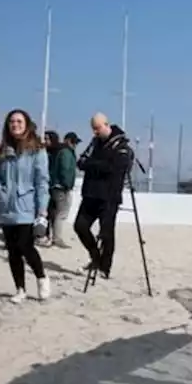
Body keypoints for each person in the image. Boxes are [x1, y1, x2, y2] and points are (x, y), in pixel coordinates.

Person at [0, 110, 51, 302]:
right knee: (12, 250)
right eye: (11, 121)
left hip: (26, 205)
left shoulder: (37, 149)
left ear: (26, 123)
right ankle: (20, 289)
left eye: (19, 121)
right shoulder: (2, 150)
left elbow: (42, 182)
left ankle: (41, 277)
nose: (15, 124)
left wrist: (42, 210)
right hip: (6, 205)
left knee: (25, 245)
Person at [73, 114, 132, 278]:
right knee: (80, 226)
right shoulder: (94, 142)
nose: (95, 132)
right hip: (90, 194)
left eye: (98, 128)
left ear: (106, 125)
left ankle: (104, 268)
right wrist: (96, 165)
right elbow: (81, 162)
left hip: (109, 197)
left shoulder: (121, 145)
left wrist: (93, 165)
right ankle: (95, 258)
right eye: (93, 129)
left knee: (106, 233)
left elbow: (115, 167)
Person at [45, 131, 79, 247]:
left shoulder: (60, 151)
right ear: (69, 141)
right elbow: (65, 169)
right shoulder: (66, 152)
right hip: (61, 187)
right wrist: (67, 184)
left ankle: (51, 236)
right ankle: (57, 238)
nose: (75, 145)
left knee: (54, 212)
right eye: (74, 142)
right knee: (62, 213)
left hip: (55, 185)